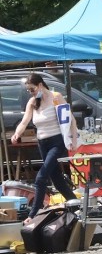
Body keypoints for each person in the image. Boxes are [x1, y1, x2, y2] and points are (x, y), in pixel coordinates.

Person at [11, 74, 79, 224]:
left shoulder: (56, 97)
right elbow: (24, 122)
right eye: (28, 90)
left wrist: (73, 138)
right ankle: (77, 206)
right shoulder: (32, 102)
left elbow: (70, 118)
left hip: (57, 141)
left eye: (32, 89)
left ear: (40, 85)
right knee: (57, 180)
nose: (31, 92)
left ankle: (33, 214)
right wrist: (16, 134)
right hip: (42, 143)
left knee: (41, 177)